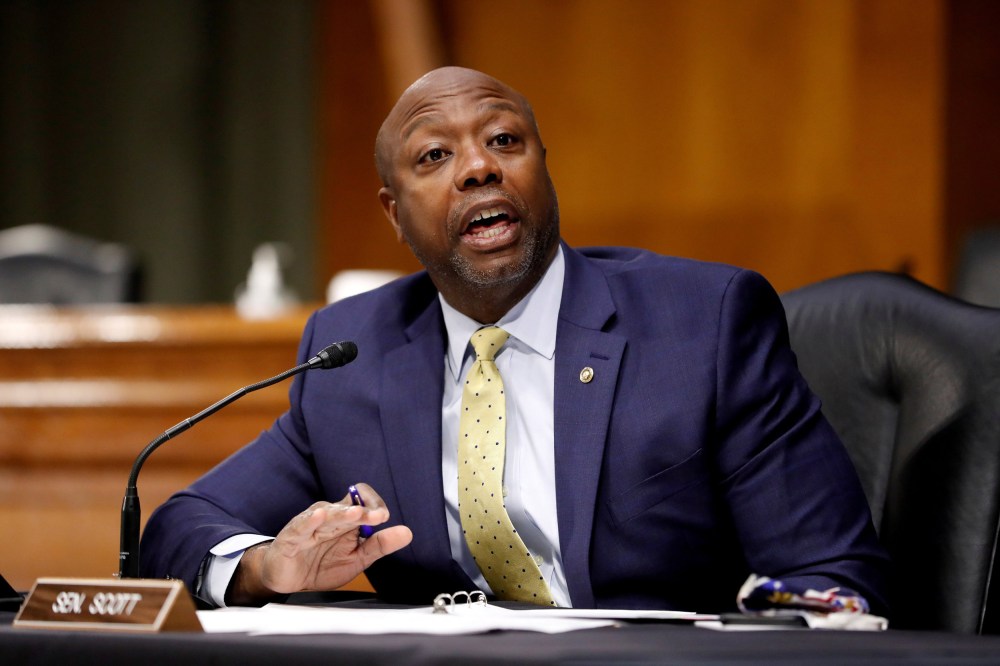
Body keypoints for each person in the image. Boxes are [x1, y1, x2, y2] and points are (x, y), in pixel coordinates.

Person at [141, 66, 889, 614]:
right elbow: (179, 527)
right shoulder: (353, 353)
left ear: (543, 168)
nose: (478, 168)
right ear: (394, 213)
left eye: (505, 140)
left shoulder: (703, 322)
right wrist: (266, 567)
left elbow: (832, 577)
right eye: (434, 156)